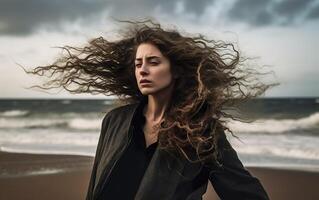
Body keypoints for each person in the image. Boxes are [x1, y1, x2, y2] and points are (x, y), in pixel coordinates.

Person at [27, 19, 273, 200]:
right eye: (138, 64)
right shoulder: (115, 120)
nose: (142, 70)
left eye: (153, 62)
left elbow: (246, 193)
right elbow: (94, 187)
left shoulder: (201, 131)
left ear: (176, 70)